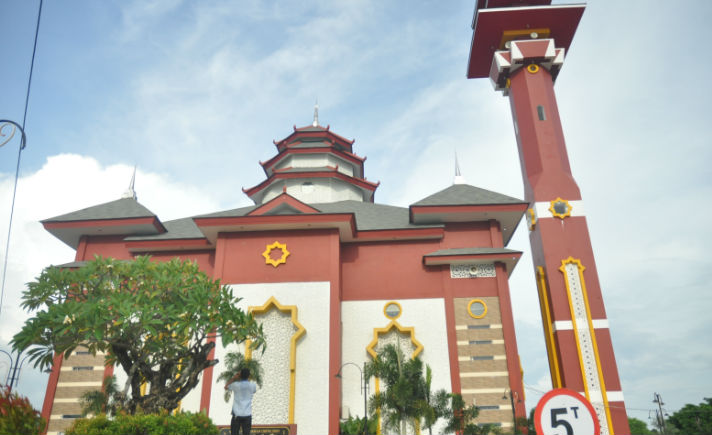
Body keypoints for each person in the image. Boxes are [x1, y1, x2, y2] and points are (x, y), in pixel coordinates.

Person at [224, 367, 258, 435]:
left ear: (240, 375)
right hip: (247, 414)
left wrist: (234, 378)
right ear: (249, 376)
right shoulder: (253, 385)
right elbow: (254, 391)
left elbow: (226, 387)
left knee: (234, 433)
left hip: (237, 414)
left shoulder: (235, 385)